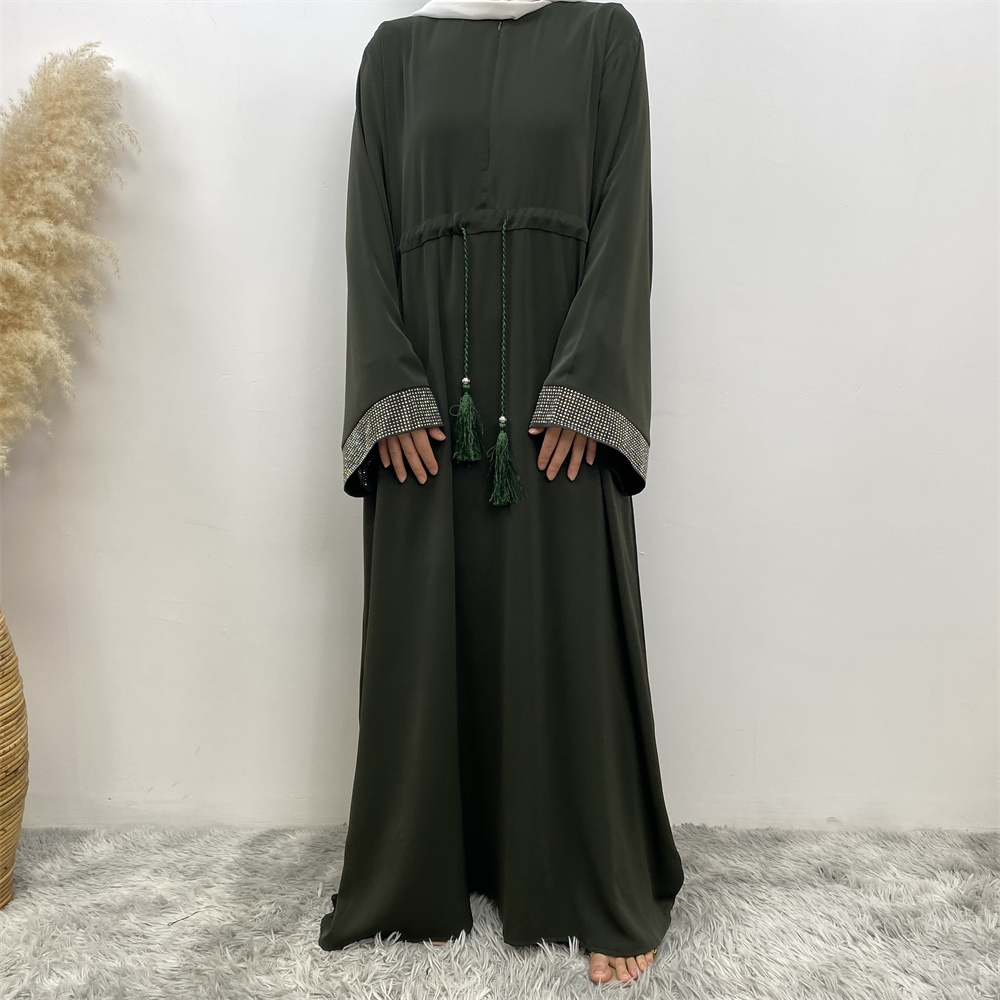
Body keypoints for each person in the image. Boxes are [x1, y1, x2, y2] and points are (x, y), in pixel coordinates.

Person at [319, 0, 685, 985]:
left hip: (556, 402)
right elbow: (367, 238)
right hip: (427, 403)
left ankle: (590, 878)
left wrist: (588, 384)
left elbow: (625, 223)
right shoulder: (395, 54)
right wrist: (389, 389)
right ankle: (425, 875)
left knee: (565, 623)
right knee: (427, 627)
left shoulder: (605, 38)